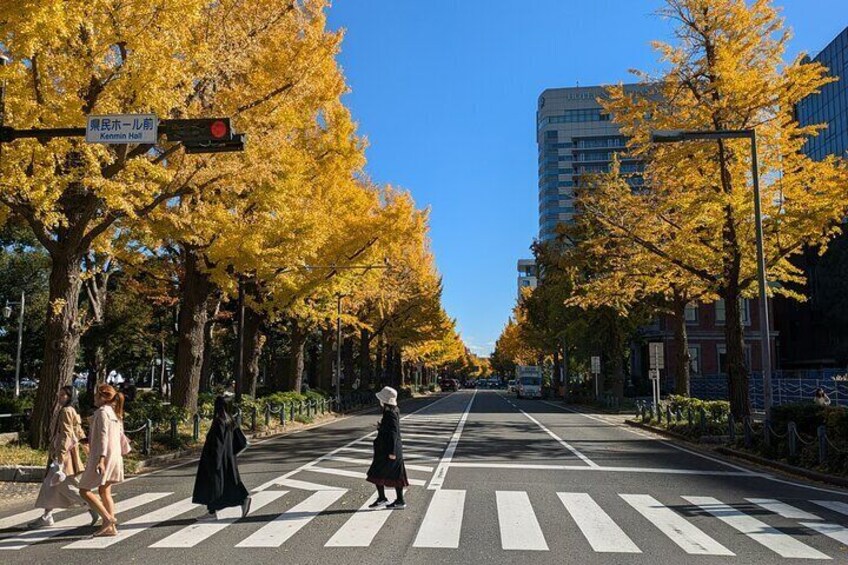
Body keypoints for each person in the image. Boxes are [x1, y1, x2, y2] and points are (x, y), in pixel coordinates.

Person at [28, 386, 93, 529]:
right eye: (60, 394)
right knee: (50, 485)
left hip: (65, 454)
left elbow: (66, 435)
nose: (60, 396)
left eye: (63, 395)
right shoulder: (73, 410)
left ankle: (92, 506)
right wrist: (85, 446)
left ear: (70, 397)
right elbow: (78, 431)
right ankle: (47, 515)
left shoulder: (65, 411)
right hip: (68, 451)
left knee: (67, 485)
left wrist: (61, 456)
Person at [192, 396, 251, 521]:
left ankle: (213, 512)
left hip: (216, 459)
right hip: (229, 458)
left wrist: (215, 462)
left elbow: (217, 443)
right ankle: (241, 499)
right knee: (229, 483)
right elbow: (237, 440)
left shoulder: (219, 421)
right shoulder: (230, 419)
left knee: (215, 485)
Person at [78, 384, 126, 537]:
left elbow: (104, 435)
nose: (93, 398)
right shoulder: (115, 412)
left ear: (102, 397)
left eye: (95, 395)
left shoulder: (102, 412)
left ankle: (108, 518)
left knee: (84, 490)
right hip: (114, 454)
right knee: (105, 490)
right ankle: (110, 527)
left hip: (102, 455)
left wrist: (101, 459)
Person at [366, 386, 409, 509]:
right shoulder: (393, 410)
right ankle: (397, 500)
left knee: (376, 472)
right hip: (393, 448)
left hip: (389, 449)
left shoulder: (390, 413)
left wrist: (392, 452)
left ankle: (384, 499)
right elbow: (391, 430)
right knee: (395, 474)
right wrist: (381, 427)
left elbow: (393, 433)